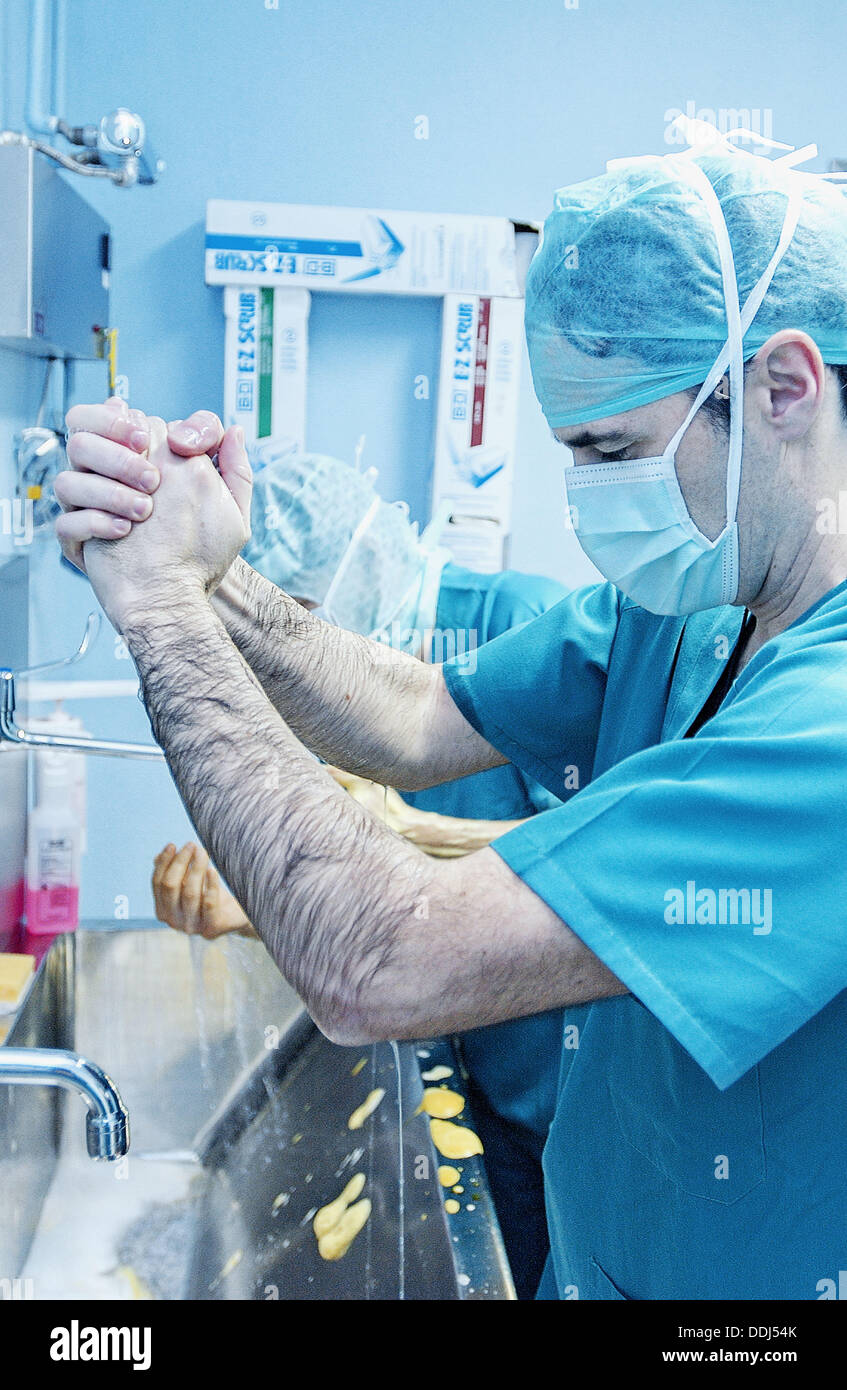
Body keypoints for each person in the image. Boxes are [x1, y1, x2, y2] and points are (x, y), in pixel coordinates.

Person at [54, 125, 847, 1300]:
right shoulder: (695, 605)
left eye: (612, 448)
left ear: (784, 386)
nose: (585, 497)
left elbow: (385, 959)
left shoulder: (822, 730)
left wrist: (164, 616)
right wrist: (223, 580)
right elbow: (422, 716)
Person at [151, 449, 567, 1298]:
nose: (289, 660)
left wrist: (408, 832)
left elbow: (601, 861)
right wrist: (256, 903)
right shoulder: (350, 702)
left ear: (357, 563)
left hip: (560, 1081)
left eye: (298, 619)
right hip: (478, 1067)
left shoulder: (523, 625)